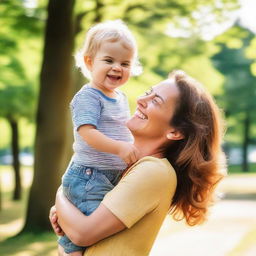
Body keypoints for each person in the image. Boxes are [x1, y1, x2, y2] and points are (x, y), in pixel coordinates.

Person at [50, 70, 225, 256]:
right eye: (148, 92)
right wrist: (66, 215)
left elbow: (82, 233)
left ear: (175, 132)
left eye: (156, 101)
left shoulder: (155, 171)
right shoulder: (120, 167)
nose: (141, 99)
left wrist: (61, 195)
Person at [58, 20, 142, 255]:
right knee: (89, 234)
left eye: (125, 63)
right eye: (109, 60)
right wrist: (120, 149)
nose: (117, 67)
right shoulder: (89, 96)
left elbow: (122, 131)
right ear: (89, 61)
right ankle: (67, 250)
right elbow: (87, 132)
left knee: (103, 230)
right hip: (89, 176)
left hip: (109, 176)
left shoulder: (121, 97)